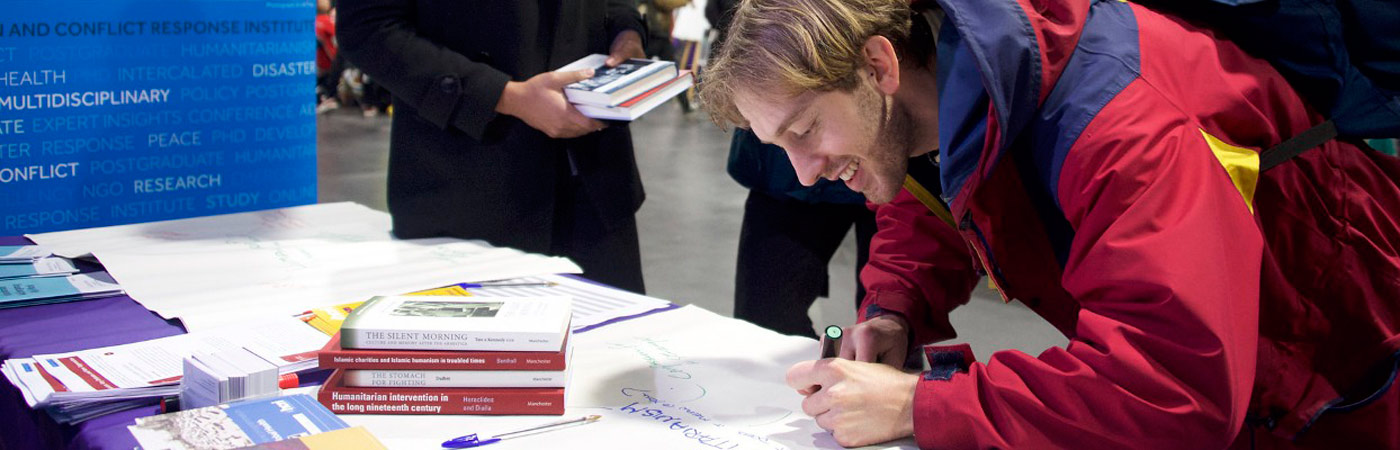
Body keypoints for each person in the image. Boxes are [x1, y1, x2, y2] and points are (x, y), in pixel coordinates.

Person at [700, 0, 1400, 448]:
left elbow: (1174, 384)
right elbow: (940, 190)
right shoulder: (959, 79)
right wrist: (895, 313)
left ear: (878, 64)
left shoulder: (1119, 124)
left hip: (1347, 373)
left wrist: (925, 404)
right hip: (1262, 379)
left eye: (806, 129)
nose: (804, 172)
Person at [336, 0, 650, 293]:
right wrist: (501, 96)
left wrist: (627, 30)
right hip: (471, 179)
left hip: (595, 184)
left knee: (618, 342)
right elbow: (368, 27)